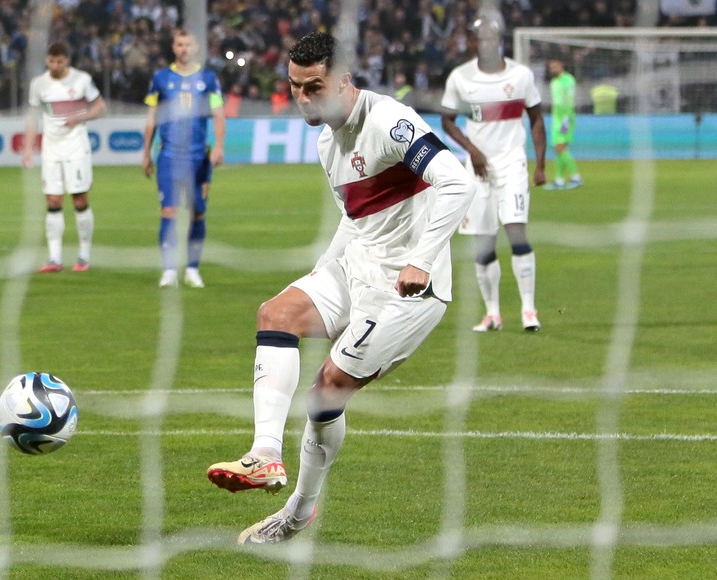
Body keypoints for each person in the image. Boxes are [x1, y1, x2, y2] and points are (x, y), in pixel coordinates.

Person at [206, 31, 475, 545]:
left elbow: (455, 182)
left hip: (408, 291)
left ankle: (297, 513)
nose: (304, 98)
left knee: (324, 393)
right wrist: (320, 274)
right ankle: (264, 456)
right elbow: (356, 218)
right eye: (295, 88)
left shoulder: (389, 122)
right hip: (356, 266)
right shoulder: (327, 141)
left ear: (344, 78)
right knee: (276, 313)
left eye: (315, 86)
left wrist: (421, 259)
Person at [439, 11, 546, 333]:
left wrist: (540, 163)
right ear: (472, 42)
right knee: (483, 243)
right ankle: (493, 314)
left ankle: (529, 310)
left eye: (491, 37)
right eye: (479, 38)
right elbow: (447, 120)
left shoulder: (522, 76)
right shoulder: (460, 78)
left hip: (512, 163)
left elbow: (537, 118)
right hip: (477, 168)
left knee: (516, 232)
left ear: (499, 40)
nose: (485, 43)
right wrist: (472, 151)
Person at [142, 28, 225, 289]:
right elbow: (152, 117)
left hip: (199, 157)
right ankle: (169, 270)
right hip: (168, 155)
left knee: (197, 213)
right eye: (179, 44)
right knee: (169, 211)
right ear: (173, 47)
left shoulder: (208, 79)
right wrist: (146, 152)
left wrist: (220, 146)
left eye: (188, 44)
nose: (184, 49)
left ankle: (192, 268)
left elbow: (219, 114)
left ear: (196, 47)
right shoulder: (160, 78)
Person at [23, 42, 106, 273]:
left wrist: (81, 117)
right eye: (51, 61)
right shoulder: (39, 84)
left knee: (79, 199)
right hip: (51, 150)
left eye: (59, 62)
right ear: (47, 60)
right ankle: (54, 259)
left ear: (67, 60)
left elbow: (100, 106)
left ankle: (83, 255)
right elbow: (33, 117)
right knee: (53, 201)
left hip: (77, 148)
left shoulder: (82, 80)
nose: (55, 66)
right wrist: (28, 149)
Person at [545, 58, 582, 190]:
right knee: (558, 148)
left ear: (561, 65)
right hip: (557, 117)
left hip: (565, 117)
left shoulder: (567, 79)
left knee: (560, 147)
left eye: (555, 66)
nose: (553, 69)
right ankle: (559, 180)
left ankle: (576, 177)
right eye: (551, 67)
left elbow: (568, 99)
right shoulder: (554, 82)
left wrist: (566, 117)